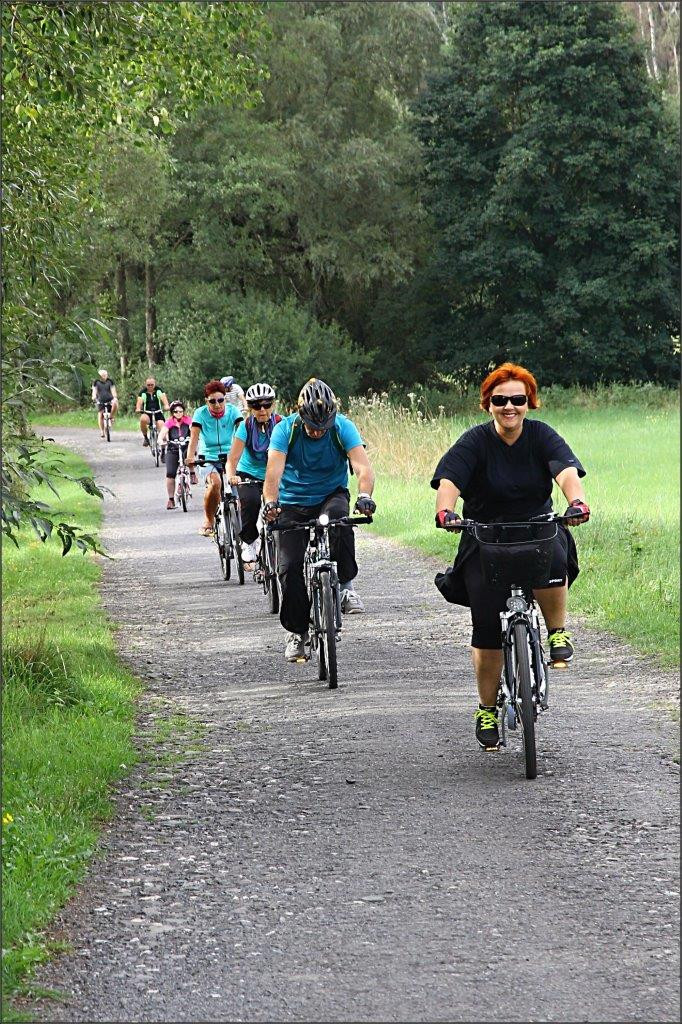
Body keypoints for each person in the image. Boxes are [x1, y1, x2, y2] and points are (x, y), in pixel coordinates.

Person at [431, 362, 590, 751]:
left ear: (529, 403)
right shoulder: (474, 442)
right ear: (488, 404)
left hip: (537, 529)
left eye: (518, 400)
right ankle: (487, 709)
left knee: (554, 555)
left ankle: (556, 632)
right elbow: (450, 481)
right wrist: (446, 511)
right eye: (500, 400)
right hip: (486, 537)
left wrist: (576, 501)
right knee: (486, 627)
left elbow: (566, 472)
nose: (509, 407)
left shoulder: (541, 436)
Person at [262, 378, 377, 663]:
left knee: (340, 520)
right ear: (300, 416)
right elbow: (273, 475)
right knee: (288, 567)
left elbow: (363, 468)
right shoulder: (285, 430)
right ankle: (297, 632)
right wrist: (271, 504)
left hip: (331, 494)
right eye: (312, 425)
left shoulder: (343, 427)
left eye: (323, 426)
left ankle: (345, 586)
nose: (317, 431)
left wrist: (364, 495)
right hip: (292, 502)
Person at [225, 382, 281, 570]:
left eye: (266, 404)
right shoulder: (246, 427)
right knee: (250, 501)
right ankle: (249, 542)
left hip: (275, 473)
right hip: (249, 473)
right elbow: (232, 459)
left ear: (273, 404)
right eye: (257, 406)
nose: (262, 410)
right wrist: (232, 476)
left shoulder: (282, 424)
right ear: (250, 407)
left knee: (286, 506)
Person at [186, 380, 243, 537]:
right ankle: (208, 520)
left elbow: (243, 433)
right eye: (212, 401)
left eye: (220, 400)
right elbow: (194, 438)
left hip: (231, 455)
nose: (217, 405)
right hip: (208, 456)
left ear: (225, 398)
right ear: (207, 401)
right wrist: (190, 458)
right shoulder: (200, 413)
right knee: (215, 483)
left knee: (240, 486)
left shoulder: (233, 411)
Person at [158, 401, 197, 510]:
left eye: (181, 411)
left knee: (190, 455)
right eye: (176, 411)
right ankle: (171, 500)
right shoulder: (169, 422)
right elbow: (162, 433)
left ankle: (192, 473)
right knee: (170, 474)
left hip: (186, 446)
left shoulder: (188, 420)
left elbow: (193, 430)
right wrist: (161, 440)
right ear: (172, 412)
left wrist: (194, 437)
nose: (178, 413)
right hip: (173, 448)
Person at [135, 377, 170, 454]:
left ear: (154, 384)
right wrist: (138, 408)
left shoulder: (159, 390)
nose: (150, 386)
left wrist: (166, 405)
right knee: (142, 419)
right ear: (146, 385)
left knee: (162, 430)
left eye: (152, 385)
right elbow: (139, 402)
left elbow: (164, 399)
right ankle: (145, 438)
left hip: (158, 413)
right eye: (148, 385)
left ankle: (163, 451)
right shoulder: (143, 393)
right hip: (147, 413)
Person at [91, 369, 118, 436]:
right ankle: (102, 431)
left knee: (115, 403)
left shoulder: (110, 381)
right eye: (103, 375)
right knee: (100, 414)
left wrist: (114, 397)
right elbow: (94, 391)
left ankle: (111, 416)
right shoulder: (96, 382)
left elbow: (113, 390)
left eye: (105, 375)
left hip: (110, 399)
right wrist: (94, 397)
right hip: (100, 400)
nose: (104, 376)